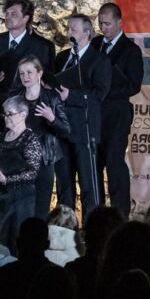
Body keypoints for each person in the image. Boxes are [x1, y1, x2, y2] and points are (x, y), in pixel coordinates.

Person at [53, 14, 111, 216]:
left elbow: (99, 94)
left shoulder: (99, 60)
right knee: (64, 184)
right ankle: (65, 229)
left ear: (87, 33)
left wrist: (72, 95)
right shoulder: (61, 59)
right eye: (67, 29)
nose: (68, 33)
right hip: (60, 128)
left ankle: (91, 232)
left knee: (88, 185)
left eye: (73, 30)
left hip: (84, 130)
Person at [92, 2, 145, 217]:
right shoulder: (94, 44)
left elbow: (134, 85)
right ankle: (96, 214)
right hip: (94, 115)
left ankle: (119, 215)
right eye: (100, 23)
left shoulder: (131, 50)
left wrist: (105, 88)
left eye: (107, 24)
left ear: (118, 22)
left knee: (114, 163)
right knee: (93, 165)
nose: (103, 28)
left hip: (116, 115)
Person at [11, 56, 70, 220]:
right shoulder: (16, 98)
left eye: (29, 72)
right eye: (22, 73)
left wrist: (51, 118)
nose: (25, 77)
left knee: (41, 209)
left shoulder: (51, 97)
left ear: (39, 74)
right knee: (20, 207)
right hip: (20, 159)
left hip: (44, 159)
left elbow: (65, 130)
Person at [0, 0, 54, 126]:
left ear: (26, 18)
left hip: (27, 115)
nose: (8, 17)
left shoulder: (42, 46)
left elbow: (48, 82)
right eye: (7, 14)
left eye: (13, 14)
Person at [0, 95, 43, 251]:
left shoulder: (31, 139)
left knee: (15, 241)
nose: (6, 117)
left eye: (10, 113)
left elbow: (32, 172)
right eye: (5, 114)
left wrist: (7, 180)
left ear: (23, 114)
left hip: (20, 199)